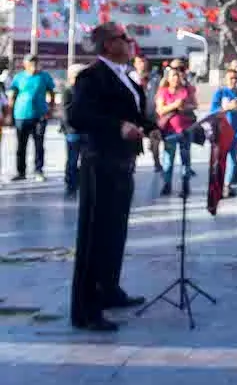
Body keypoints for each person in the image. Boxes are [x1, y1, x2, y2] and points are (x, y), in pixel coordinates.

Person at [68, 22, 159, 332]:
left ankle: (109, 290)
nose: (129, 42)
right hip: (100, 163)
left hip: (123, 164)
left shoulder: (126, 77)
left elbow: (134, 114)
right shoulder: (91, 77)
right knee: (94, 237)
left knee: (115, 232)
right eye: (123, 38)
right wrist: (117, 126)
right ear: (108, 44)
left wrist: (150, 127)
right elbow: (77, 116)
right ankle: (85, 310)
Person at [8, 54, 56, 182]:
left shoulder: (44, 76)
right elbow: (12, 94)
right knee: (21, 145)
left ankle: (38, 170)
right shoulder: (19, 77)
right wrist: (9, 112)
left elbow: (51, 93)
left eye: (35, 64)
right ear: (25, 65)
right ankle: (21, 171)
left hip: (40, 115)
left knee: (39, 144)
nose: (33, 67)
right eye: (30, 64)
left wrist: (50, 109)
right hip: (21, 115)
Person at [155, 66, 198, 197]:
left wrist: (184, 106)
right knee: (168, 159)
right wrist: (174, 105)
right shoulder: (163, 92)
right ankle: (167, 184)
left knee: (186, 159)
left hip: (186, 130)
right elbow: (160, 110)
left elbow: (195, 105)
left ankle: (186, 185)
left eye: (177, 75)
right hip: (170, 131)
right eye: (172, 75)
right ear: (167, 78)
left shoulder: (185, 90)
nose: (175, 78)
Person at [211, 69, 237, 198]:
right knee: (220, 160)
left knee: (233, 160)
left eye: (235, 78)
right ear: (225, 80)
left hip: (236, 133)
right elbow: (213, 111)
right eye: (230, 78)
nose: (233, 81)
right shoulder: (220, 93)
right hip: (222, 132)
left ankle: (228, 185)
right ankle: (219, 185)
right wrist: (226, 108)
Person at [61, 63, 87, 198]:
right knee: (72, 160)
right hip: (73, 132)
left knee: (86, 160)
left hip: (86, 131)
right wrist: (71, 128)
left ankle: (82, 184)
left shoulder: (88, 91)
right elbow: (65, 112)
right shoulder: (68, 91)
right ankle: (70, 185)